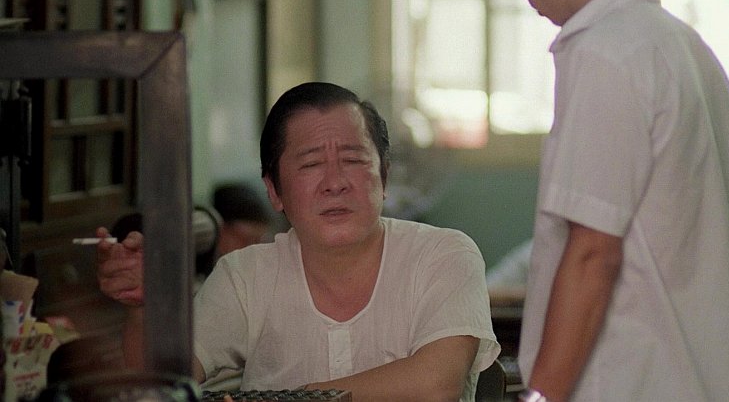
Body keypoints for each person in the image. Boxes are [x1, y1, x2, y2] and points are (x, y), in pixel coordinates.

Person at [96, 82, 500, 401]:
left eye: (354, 160)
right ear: (275, 191)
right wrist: (142, 309)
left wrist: (297, 398)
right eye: (311, 164)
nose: (335, 183)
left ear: (384, 178)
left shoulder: (443, 255)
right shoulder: (246, 276)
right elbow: (163, 384)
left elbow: (437, 383)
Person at [489, 0, 729, 400]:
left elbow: (594, 255)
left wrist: (540, 398)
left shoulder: (606, 52)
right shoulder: (685, 45)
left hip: (629, 383)